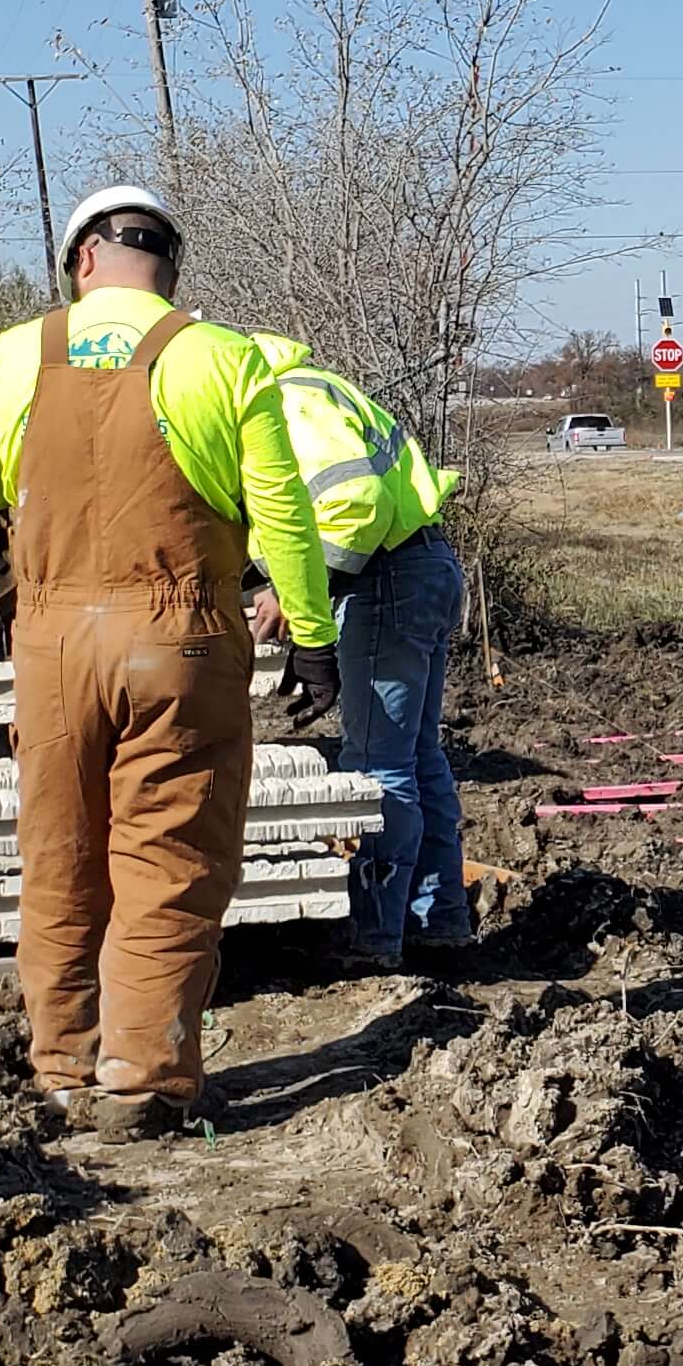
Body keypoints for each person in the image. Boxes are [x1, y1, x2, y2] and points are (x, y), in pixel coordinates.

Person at [0, 186, 339, 1140]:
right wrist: (311, 639)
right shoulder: (224, 359)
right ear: (170, 270)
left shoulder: (12, 355)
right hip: (180, 643)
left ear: (82, 262)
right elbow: (284, 517)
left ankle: (63, 1071)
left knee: (61, 856)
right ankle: (141, 1078)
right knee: (169, 859)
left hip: (55, 644)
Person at [241, 332, 472, 961]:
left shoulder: (283, 402)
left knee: (377, 766)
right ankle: (438, 918)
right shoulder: (314, 390)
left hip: (386, 584)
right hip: (421, 569)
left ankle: (377, 938)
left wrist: (301, 594)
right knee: (417, 756)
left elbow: (352, 501)